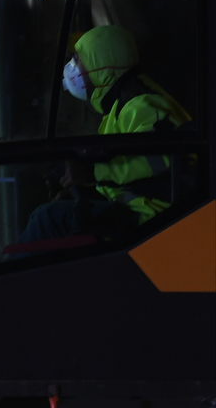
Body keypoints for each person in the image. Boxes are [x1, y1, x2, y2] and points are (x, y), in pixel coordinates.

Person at [13, 25, 191, 250]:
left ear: (102, 64)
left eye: (79, 60)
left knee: (47, 220)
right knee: (46, 214)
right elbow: (126, 175)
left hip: (154, 216)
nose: (72, 68)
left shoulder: (141, 104)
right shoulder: (117, 108)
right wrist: (84, 189)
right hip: (136, 208)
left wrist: (92, 171)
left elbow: (160, 159)